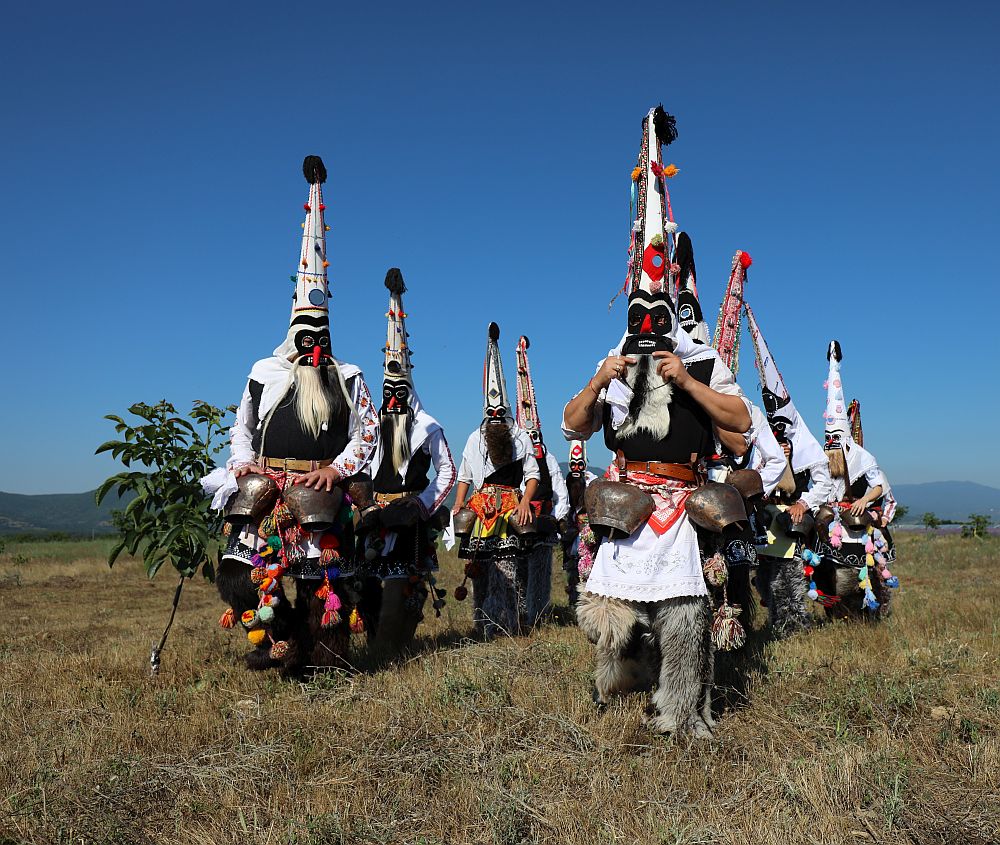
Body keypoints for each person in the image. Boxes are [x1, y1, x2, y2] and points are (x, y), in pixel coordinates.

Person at [562, 106, 752, 739]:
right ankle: (620, 684)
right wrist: (598, 381)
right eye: (636, 312)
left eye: (654, 311)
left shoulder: (700, 358)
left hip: (680, 500)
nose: (645, 321)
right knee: (613, 615)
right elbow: (572, 425)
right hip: (627, 497)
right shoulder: (613, 360)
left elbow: (741, 425)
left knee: (683, 615)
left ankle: (683, 712)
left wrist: (687, 382)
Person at [202, 156, 379, 674]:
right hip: (267, 487)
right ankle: (275, 637)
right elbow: (243, 425)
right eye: (307, 335)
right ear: (293, 331)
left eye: (321, 336)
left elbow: (367, 428)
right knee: (239, 573)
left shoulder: (348, 376)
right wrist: (242, 464)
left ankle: (320, 662)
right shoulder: (264, 369)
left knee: (320, 579)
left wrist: (338, 468)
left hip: (319, 490)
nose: (314, 345)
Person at [358, 268, 456, 655]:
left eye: (400, 392)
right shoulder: (369, 424)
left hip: (409, 517)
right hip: (373, 519)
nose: (394, 400)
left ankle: (389, 650)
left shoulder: (427, 426)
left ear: (410, 390)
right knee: (365, 589)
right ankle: (376, 647)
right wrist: (363, 502)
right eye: (388, 393)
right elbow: (359, 464)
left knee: (401, 589)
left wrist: (422, 503)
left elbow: (446, 471)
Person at [745, 304, 833, 634]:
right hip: (763, 515)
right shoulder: (761, 440)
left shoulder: (804, 445)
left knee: (788, 578)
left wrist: (803, 503)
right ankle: (771, 623)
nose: (778, 430)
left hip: (791, 520)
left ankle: (792, 630)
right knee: (764, 580)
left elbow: (822, 481)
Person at [452, 323, 541, 638]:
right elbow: (464, 474)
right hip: (480, 509)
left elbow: (532, 474)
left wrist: (526, 502)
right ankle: (482, 624)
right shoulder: (475, 437)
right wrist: (460, 502)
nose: (495, 417)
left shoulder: (519, 436)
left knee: (507, 566)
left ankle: (506, 624)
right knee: (480, 570)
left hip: (508, 508)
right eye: (490, 413)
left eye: (499, 412)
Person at [815, 341, 898, 618]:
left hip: (859, 521)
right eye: (828, 440)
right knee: (824, 569)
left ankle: (871, 612)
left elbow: (879, 486)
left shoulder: (863, 457)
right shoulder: (824, 456)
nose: (830, 445)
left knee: (867, 571)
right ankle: (835, 613)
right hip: (832, 521)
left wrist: (863, 500)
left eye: (834, 440)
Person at [514, 335, 569, 626]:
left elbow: (560, 492)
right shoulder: (515, 462)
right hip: (518, 522)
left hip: (543, 520)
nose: (533, 442)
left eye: (535, 437)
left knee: (540, 571)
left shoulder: (547, 460)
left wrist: (557, 518)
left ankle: (538, 614)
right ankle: (520, 612)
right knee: (518, 569)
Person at [561, 440, 597, 607]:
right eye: (573, 465)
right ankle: (574, 604)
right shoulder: (568, 506)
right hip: (572, 548)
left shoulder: (590, 488)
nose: (576, 468)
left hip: (588, 545)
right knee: (572, 576)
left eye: (579, 464)